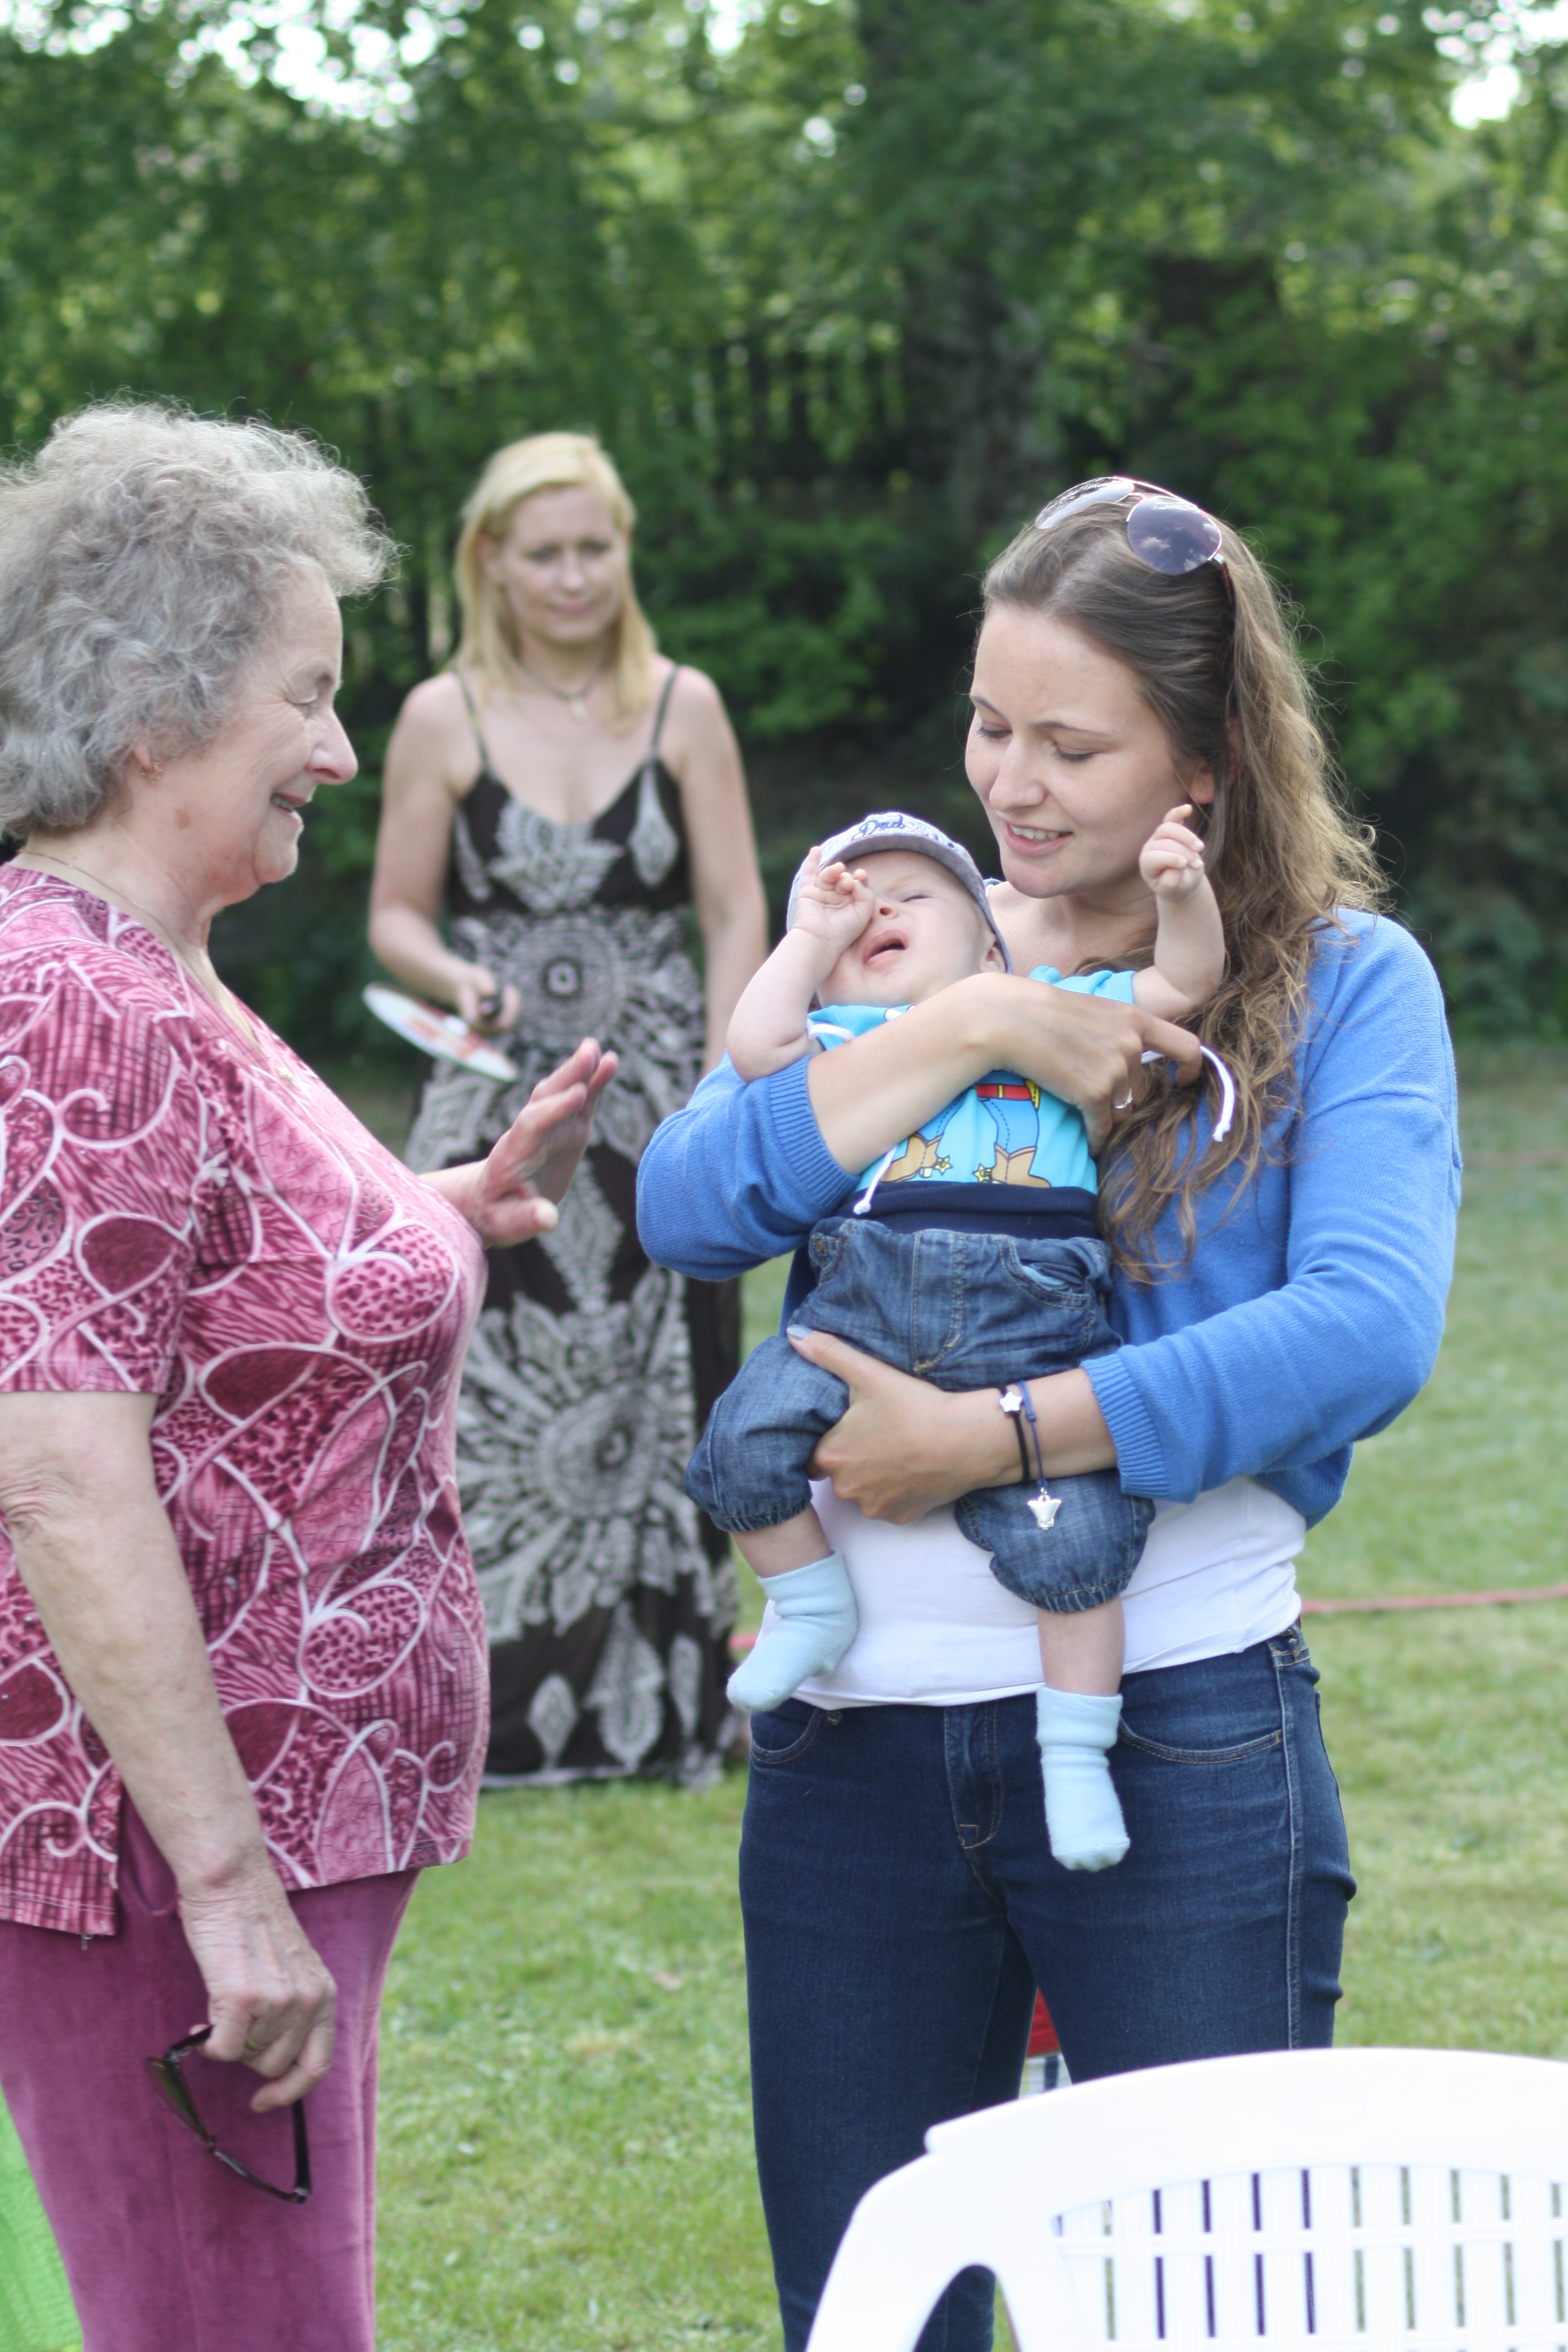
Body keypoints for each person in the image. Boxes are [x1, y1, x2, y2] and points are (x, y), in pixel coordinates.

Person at [638, 476, 1460, 2352]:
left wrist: (999, 1437)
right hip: (854, 1756)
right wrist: (972, 1027)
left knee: (1209, 2313)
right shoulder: (914, 940)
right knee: (875, 2319)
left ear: (1206, 763)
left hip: (1178, 1737)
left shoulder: (1345, 987)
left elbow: (1362, 1331)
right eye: (990, 724)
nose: (1011, 782)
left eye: (1072, 746)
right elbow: (687, 1203)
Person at [0, 403, 615, 2352]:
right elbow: (56, 1467)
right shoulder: (68, 1001)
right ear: (152, 713)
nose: (344, 751)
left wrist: (428, 1219)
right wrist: (223, 1887)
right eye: (308, 695)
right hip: (163, 1864)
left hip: (276, 1822)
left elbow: (196, 1287)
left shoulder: (155, 966)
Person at [688, 805, 1226, 1870]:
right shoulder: (842, 1041)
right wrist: (805, 942)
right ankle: (810, 1606)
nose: (876, 912)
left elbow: (1181, 984)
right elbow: (752, 1046)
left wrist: (1182, 894)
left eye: (912, 896)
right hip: (858, 1314)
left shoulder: (1058, 1005)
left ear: (991, 950)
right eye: (852, 910)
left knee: (1079, 1547)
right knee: (737, 1449)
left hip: (1038, 1319)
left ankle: (1076, 1756)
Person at [370, 432, 767, 1785]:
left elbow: (734, 909)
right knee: (481, 1391)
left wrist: (725, 1078)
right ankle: (471, 1712)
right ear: (491, 561)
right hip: (499, 1106)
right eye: (545, 552)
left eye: (596, 547)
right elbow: (394, 916)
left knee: (667, 1383)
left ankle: (664, 1709)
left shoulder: (684, 707)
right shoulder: (444, 716)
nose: (575, 575)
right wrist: (454, 977)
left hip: (655, 1097)